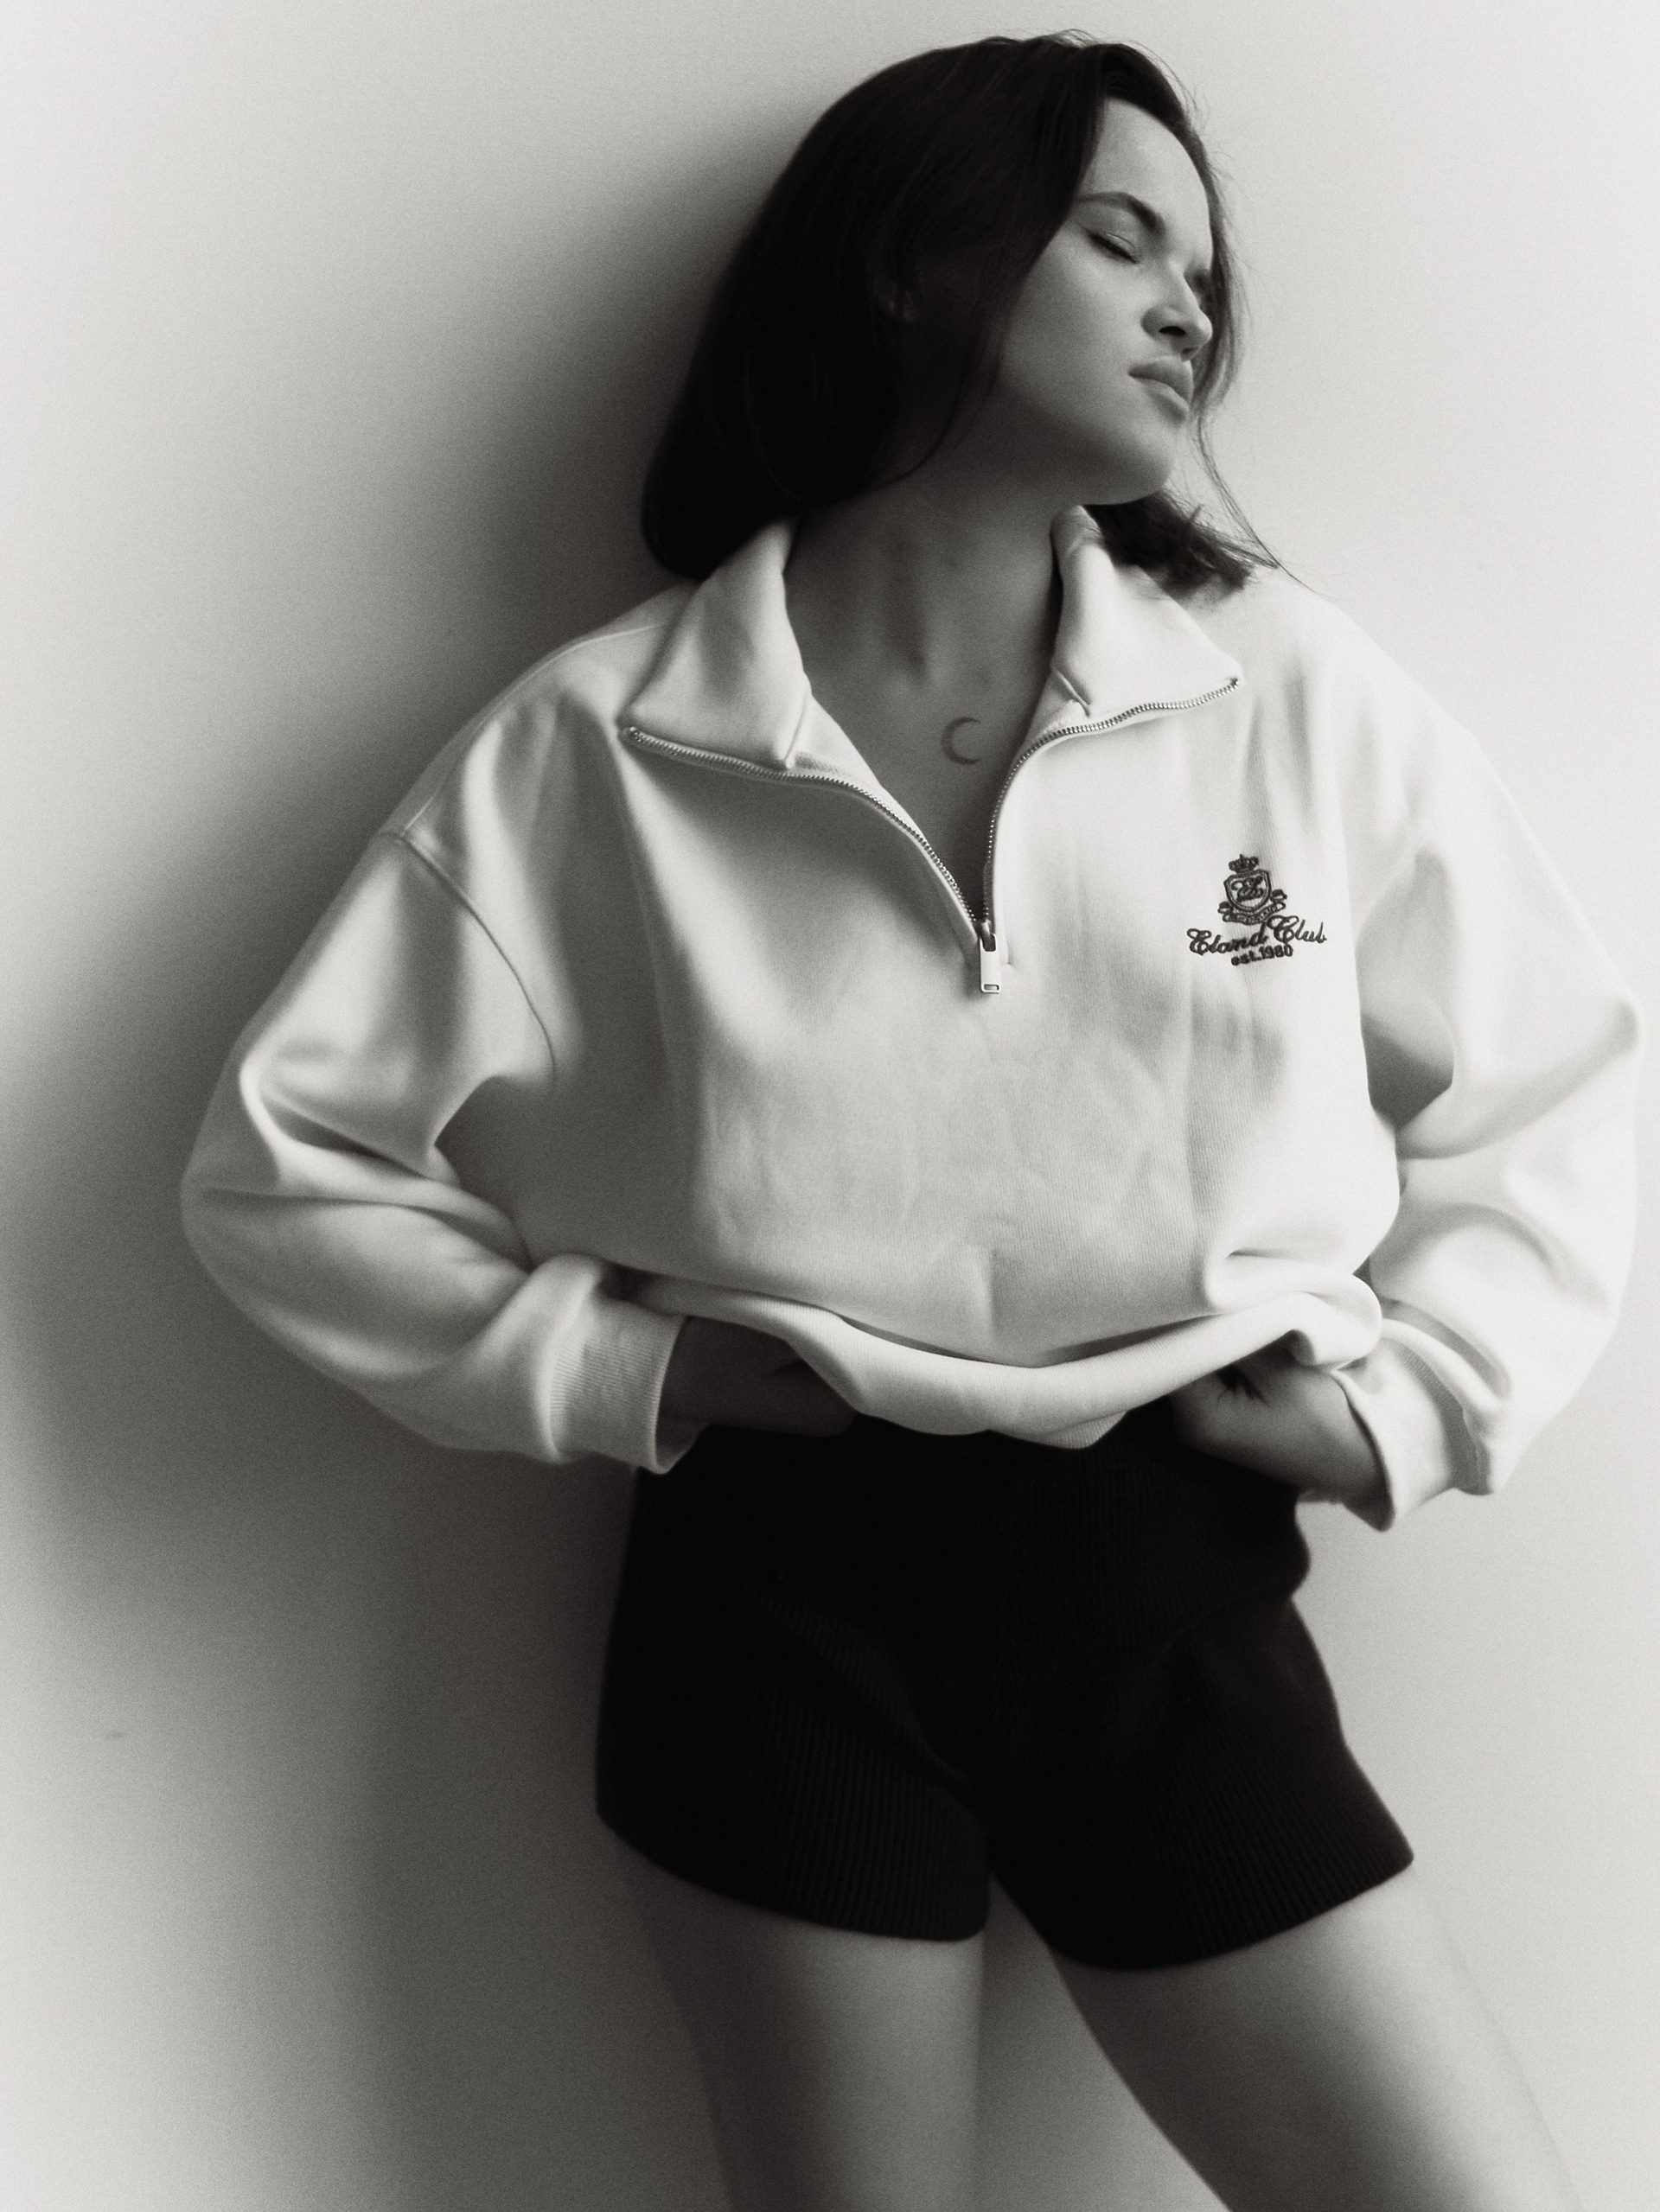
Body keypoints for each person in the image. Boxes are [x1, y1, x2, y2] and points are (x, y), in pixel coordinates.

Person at [181, 33, 1640, 2212]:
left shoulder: (1287, 693)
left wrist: (1401, 1403)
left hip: (1168, 1577)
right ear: (913, 263)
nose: (1190, 306)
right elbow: (278, 1169)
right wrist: (622, 1363)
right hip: (781, 1607)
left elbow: (1554, 1079)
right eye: (1121, 237)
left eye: (1205, 269)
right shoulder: (606, 743)